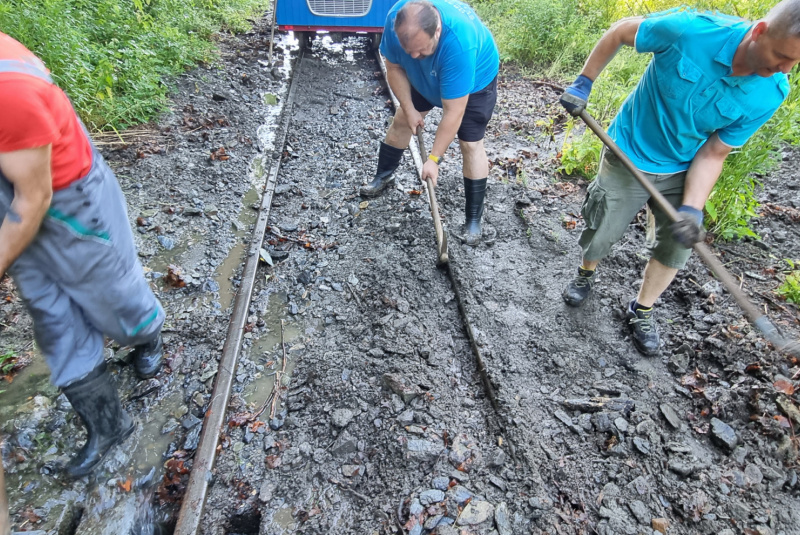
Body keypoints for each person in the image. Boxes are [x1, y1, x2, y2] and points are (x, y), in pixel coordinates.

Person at [559, 1, 800, 356]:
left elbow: (714, 152)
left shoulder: (770, 92)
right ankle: (586, 273)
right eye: (782, 56)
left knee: (676, 245)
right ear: (759, 31)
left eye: (795, 62)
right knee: (602, 226)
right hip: (629, 149)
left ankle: (642, 309)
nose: (785, 68)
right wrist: (584, 83)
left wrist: (692, 208)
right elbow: (620, 31)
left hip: (685, 164)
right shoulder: (689, 30)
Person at [0, 32, 165, 478]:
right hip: (9, 205)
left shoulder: (10, 90)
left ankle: (147, 334)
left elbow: (32, 198)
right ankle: (109, 426)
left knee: (113, 293)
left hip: (68, 195)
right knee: (52, 316)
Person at [361, 0, 500, 245]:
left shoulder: (459, 42)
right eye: (409, 51)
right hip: (426, 75)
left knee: (470, 144)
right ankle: (383, 175)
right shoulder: (396, 21)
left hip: (474, 82)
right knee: (403, 121)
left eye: (421, 51)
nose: (414, 56)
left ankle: (473, 221)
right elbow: (393, 67)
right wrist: (410, 108)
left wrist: (434, 159)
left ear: (436, 31)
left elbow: (453, 112)